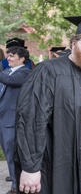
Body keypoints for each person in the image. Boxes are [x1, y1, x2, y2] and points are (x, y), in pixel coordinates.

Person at [14, 15, 81, 194]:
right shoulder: (49, 71)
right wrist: (30, 167)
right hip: (62, 169)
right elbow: (30, 120)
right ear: (74, 43)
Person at [0, 47, 30, 194]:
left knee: (12, 154)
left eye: (12, 56)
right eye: (7, 56)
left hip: (11, 121)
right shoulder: (5, 71)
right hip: (2, 118)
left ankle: (15, 185)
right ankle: (13, 180)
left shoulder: (25, 72)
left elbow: (10, 81)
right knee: (7, 153)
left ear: (22, 59)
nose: (8, 59)